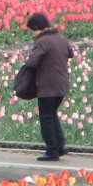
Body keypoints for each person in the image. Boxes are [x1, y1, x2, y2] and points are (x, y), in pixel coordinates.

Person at [19, 12, 73, 160]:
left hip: (48, 86)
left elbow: (32, 62)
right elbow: (70, 53)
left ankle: (52, 151)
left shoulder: (42, 41)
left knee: (46, 117)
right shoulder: (61, 38)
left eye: (32, 30)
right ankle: (60, 146)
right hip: (62, 84)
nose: (33, 34)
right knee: (52, 114)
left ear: (36, 27)